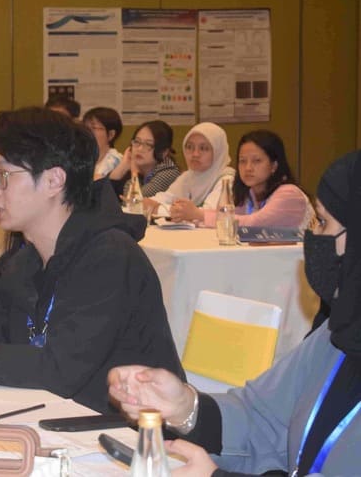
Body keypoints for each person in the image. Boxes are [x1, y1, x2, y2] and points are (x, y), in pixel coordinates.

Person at [0, 107, 185, 413]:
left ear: (54, 180)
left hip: (129, 431)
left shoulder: (111, 257)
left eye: (3, 175)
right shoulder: (26, 260)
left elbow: (59, 371)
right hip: (60, 417)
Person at [107, 150, 361, 476]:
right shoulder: (338, 334)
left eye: (323, 223)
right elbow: (262, 418)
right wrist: (185, 407)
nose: (315, 237)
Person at [186, 129, 313, 229]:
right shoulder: (250, 194)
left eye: (256, 161)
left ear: (274, 166)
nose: (248, 168)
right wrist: (193, 217)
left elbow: (254, 224)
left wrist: (199, 215)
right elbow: (230, 216)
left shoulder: (289, 194)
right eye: (242, 161)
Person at [145, 122, 234, 220]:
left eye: (203, 148)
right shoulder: (188, 176)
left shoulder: (227, 180)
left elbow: (207, 214)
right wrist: (148, 204)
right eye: (189, 147)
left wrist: (157, 209)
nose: (195, 154)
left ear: (218, 152)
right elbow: (163, 198)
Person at [109, 120, 180, 198]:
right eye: (137, 142)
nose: (140, 149)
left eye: (148, 144)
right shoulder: (136, 167)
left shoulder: (169, 172)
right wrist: (123, 166)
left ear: (163, 152)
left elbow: (135, 200)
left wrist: (134, 174)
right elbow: (105, 195)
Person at [82, 107, 124, 181]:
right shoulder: (82, 157)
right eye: (85, 127)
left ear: (111, 135)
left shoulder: (116, 161)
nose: (86, 132)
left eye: (93, 128)